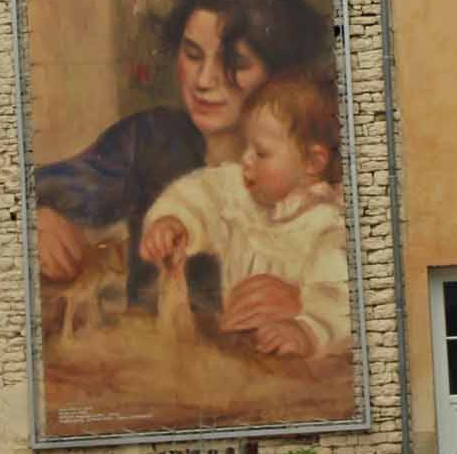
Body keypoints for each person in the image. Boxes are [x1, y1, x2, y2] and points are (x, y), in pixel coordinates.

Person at [35, 0, 328, 314]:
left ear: (277, 72)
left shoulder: (312, 164)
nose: (204, 80)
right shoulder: (150, 140)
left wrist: (306, 303)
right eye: (192, 55)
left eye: (234, 63)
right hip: (157, 358)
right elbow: (33, 189)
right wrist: (33, 214)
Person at [140, 71, 350, 359]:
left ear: (312, 162)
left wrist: (305, 327)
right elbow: (203, 194)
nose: (246, 159)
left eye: (261, 152)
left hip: (298, 369)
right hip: (242, 355)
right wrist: (174, 221)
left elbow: (342, 301)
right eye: (246, 146)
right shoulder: (243, 193)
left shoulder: (330, 227)